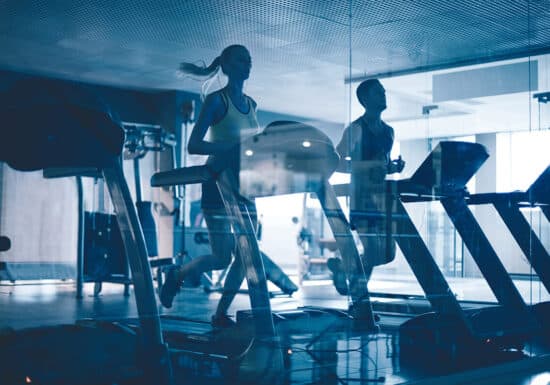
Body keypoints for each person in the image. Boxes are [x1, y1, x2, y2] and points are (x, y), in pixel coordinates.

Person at [160, 45, 297, 326]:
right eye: (241, 59)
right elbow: (194, 144)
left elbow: (250, 148)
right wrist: (234, 146)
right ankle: (177, 275)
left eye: (250, 59)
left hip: (247, 185)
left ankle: (221, 313)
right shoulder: (216, 101)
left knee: (247, 253)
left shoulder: (253, 104)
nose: (248, 63)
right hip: (218, 183)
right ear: (226, 65)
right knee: (222, 257)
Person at [328, 79, 405, 295]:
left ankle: (342, 267)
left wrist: (392, 168)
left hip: (383, 199)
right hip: (362, 198)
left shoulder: (389, 131)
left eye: (383, 91)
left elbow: (382, 166)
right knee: (372, 252)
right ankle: (359, 299)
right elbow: (336, 161)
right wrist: (367, 166)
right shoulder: (355, 129)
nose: (383, 95)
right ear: (364, 100)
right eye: (378, 92)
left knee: (387, 255)